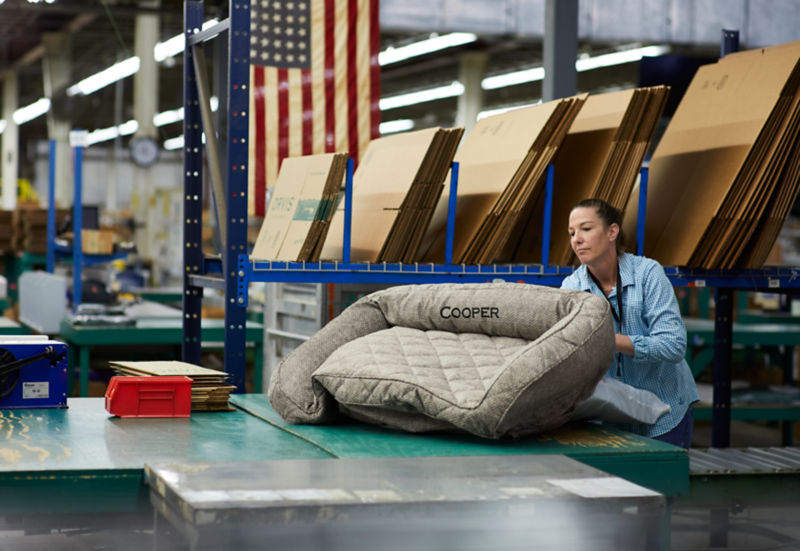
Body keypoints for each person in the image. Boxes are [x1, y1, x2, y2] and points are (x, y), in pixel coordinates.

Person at [561, 198, 699, 447]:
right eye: (572, 233)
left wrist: (608, 341)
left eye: (586, 228)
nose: (576, 239)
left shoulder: (648, 274)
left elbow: (673, 345)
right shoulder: (572, 288)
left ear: (612, 231)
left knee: (662, 486)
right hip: (611, 416)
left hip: (665, 412)